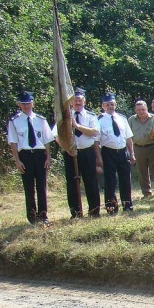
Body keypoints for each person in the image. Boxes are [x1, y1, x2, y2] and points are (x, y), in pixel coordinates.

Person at [7, 91, 55, 225]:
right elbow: (13, 142)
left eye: (28, 103)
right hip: (25, 155)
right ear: (19, 104)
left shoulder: (41, 119)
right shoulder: (14, 121)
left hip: (40, 155)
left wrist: (48, 158)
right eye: (23, 104)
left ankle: (43, 215)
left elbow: (46, 140)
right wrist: (17, 160)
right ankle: (32, 217)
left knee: (42, 186)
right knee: (29, 187)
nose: (26, 106)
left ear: (33, 103)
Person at [63, 87, 102, 217]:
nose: (78, 103)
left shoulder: (91, 116)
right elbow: (57, 136)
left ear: (84, 102)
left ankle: (94, 211)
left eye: (80, 100)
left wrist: (77, 126)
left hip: (87, 152)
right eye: (75, 100)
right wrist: (68, 148)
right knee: (72, 183)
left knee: (91, 181)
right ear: (71, 102)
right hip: (71, 153)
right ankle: (76, 212)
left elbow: (94, 132)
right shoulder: (65, 117)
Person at [95, 92, 136, 213]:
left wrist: (132, 153)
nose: (110, 107)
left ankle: (127, 204)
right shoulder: (99, 120)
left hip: (123, 152)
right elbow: (96, 142)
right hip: (108, 152)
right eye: (107, 104)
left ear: (115, 105)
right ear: (103, 106)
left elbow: (128, 137)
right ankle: (111, 206)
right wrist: (98, 158)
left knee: (125, 179)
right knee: (110, 180)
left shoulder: (122, 119)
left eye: (112, 104)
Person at [128, 100, 154, 198]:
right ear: (135, 110)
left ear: (147, 109)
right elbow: (128, 136)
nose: (141, 112)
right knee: (142, 171)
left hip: (152, 146)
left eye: (143, 109)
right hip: (138, 147)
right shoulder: (131, 120)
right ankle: (146, 193)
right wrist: (131, 152)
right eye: (139, 110)